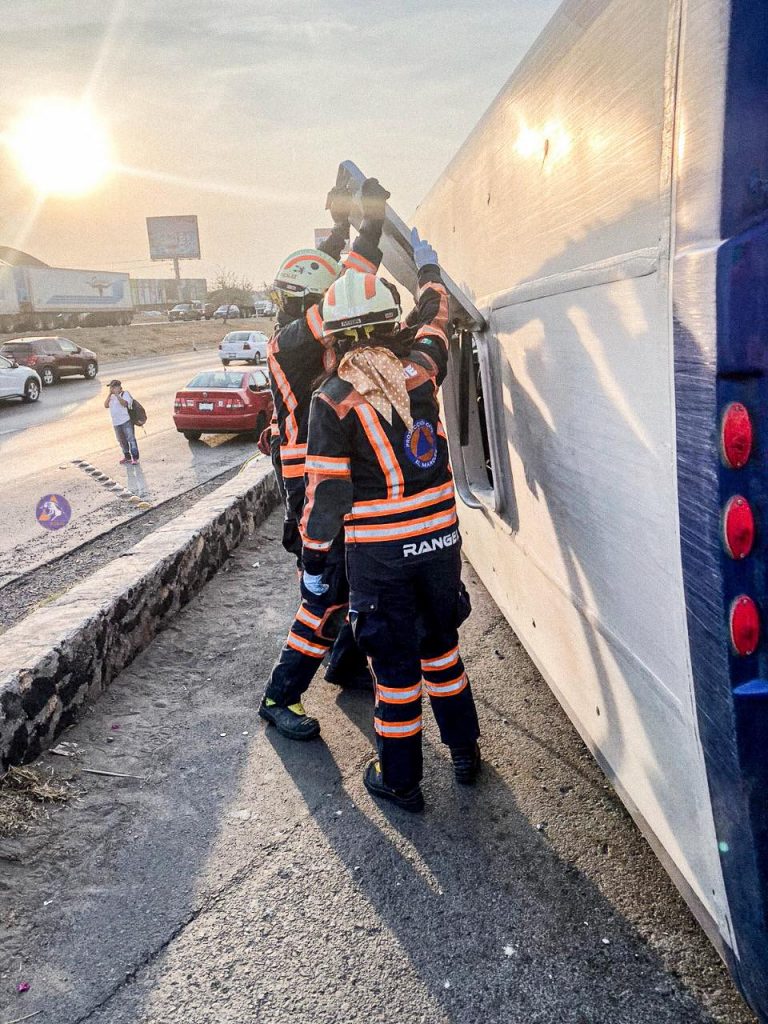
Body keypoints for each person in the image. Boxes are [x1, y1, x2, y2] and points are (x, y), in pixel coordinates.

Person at [298, 230, 481, 812]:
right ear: (389, 322)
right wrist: (428, 270)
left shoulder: (332, 399)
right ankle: (465, 750)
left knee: (396, 671)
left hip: (381, 558)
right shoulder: (421, 369)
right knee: (442, 648)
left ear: (334, 336)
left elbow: (328, 495)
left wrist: (314, 557)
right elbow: (434, 320)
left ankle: (399, 779)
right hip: (441, 543)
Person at [259, 179, 390, 741]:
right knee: (325, 589)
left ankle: (345, 662)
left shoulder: (296, 332)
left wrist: (341, 225)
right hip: (309, 484)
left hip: (322, 473)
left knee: (352, 574)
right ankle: (279, 696)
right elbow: (351, 283)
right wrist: (372, 224)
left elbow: (335, 277)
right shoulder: (295, 339)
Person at [104, 379, 139, 464]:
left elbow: (125, 404)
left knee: (131, 439)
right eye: (110, 387)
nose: (111, 389)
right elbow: (106, 405)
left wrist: (117, 395)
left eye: (113, 387)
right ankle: (127, 457)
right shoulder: (111, 396)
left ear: (118, 387)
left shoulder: (125, 394)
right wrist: (110, 394)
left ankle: (135, 458)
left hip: (126, 421)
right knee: (122, 441)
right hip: (116, 423)